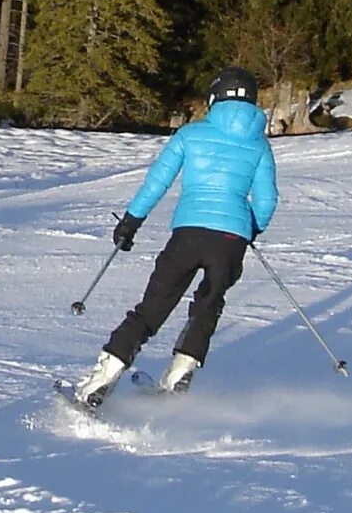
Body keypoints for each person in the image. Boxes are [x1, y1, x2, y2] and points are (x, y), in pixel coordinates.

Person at [71, 67, 277, 404]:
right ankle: (180, 373)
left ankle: (103, 378)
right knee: (209, 305)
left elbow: (157, 182)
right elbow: (267, 199)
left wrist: (130, 222)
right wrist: (249, 229)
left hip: (188, 234)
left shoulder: (191, 135)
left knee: (153, 308)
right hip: (230, 242)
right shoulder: (259, 146)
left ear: (214, 97)